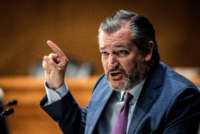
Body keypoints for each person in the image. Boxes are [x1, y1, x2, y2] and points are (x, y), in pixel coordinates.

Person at [40, 10, 200, 134]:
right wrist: (57, 86)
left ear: (147, 51)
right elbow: (83, 129)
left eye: (121, 52)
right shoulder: (104, 83)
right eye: (105, 53)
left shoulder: (181, 97)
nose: (111, 64)